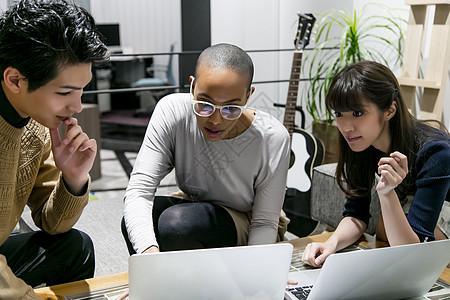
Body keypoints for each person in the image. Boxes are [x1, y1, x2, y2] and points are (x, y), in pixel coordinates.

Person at [122, 43, 290, 255]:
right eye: (205, 104)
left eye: (230, 108)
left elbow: (265, 221)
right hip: (196, 204)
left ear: (248, 96)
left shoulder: (272, 137)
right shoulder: (172, 111)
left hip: (247, 217)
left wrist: (255, 270)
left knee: (177, 226)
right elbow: (139, 191)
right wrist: (148, 258)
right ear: (192, 87)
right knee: (139, 221)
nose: (215, 120)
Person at [0, 0, 109, 298]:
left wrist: (73, 180)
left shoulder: (35, 124)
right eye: (64, 92)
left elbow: (52, 224)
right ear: (15, 80)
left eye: (81, 90)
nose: (76, 107)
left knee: (75, 248)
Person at [302, 61, 450, 268]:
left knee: (390, 228)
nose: (346, 127)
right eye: (338, 114)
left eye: (358, 113)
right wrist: (331, 243)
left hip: (439, 223)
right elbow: (356, 214)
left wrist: (387, 193)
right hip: (414, 236)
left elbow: (413, 253)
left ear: (390, 110)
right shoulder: (361, 143)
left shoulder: (435, 152)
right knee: (383, 227)